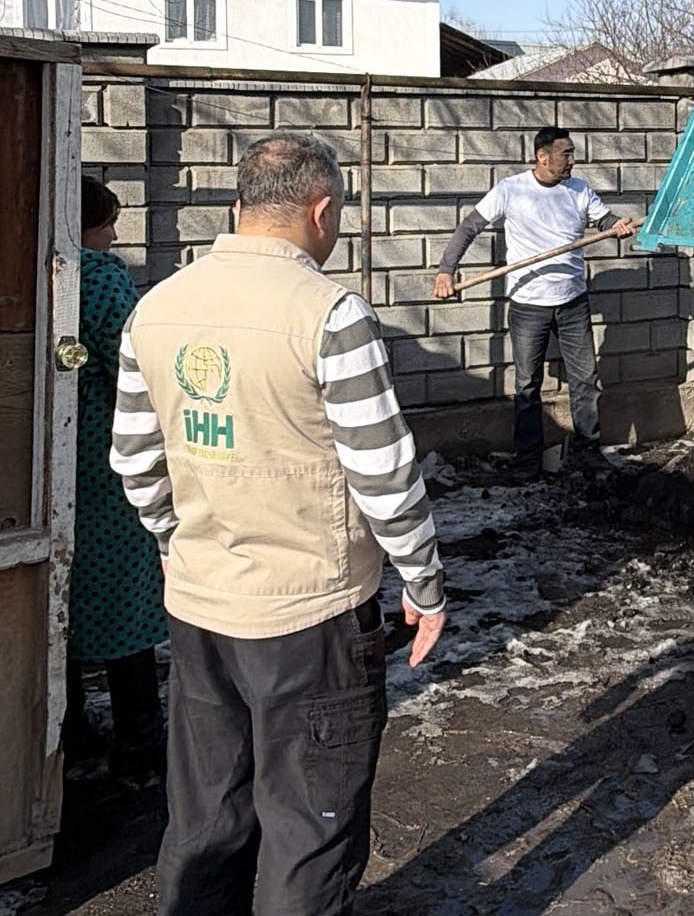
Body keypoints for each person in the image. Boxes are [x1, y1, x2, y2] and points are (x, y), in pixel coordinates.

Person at [110, 133, 448, 916]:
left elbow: (133, 457)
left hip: (201, 609)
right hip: (311, 616)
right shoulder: (329, 313)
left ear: (239, 205)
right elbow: (383, 472)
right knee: (308, 831)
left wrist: (172, 539)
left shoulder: (156, 308)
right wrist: (424, 581)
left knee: (205, 819)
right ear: (321, 212)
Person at [432, 125, 637, 478]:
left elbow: (604, 219)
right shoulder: (511, 190)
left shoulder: (579, 190)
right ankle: (528, 459)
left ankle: (586, 451)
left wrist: (618, 225)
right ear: (543, 157)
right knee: (527, 385)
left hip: (573, 302)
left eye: (572, 153)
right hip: (528, 305)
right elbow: (469, 227)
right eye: (566, 154)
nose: (573, 160)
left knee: (585, 380)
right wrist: (446, 271)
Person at [66, 176, 167, 781]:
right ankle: (140, 745)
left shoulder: (33, 269)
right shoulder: (100, 277)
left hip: (49, 465)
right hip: (105, 464)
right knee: (125, 603)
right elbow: (130, 368)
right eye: (107, 224)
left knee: (60, 603)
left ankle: (66, 733)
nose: (113, 236)